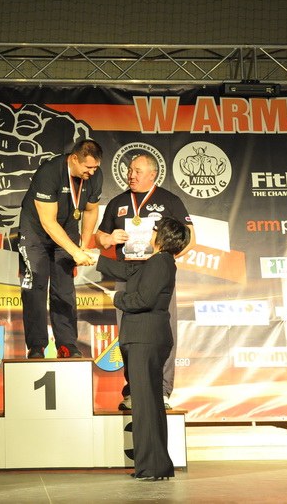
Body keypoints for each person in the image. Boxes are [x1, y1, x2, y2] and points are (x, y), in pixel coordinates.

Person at [93, 217, 191, 481]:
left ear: (163, 236)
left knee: (145, 406)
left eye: (155, 230)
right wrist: (96, 259)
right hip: (147, 338)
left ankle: (150, 467)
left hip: (145, 338)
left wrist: (117, 298)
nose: (151, 233)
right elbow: (130, 272)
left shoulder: (160, 262)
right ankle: (156, 465)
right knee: (150, 404)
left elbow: (143, 300)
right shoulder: (159, 262)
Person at [95, 153, 194, 410]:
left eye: (137, 171)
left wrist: (165, 260)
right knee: (128, 335)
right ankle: (134, 390)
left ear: (152, 174)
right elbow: (99, 238)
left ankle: (162, 390)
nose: (131, 175)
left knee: (163, 330)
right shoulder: (118, 202)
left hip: (156, 273)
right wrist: (109, 239)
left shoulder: (170, 200)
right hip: (126, 273)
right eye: (130, 170)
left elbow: (190, 238)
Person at [18, 139, 104, 358]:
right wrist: (74, 251)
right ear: (74, 158)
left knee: (64, 288)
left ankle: (67, 344)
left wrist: (83, 245)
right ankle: (36, 346)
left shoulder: (95, 176)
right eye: (88, 167)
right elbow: (48, 222)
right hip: (36, 232)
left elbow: (91, 210)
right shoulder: (49, 172)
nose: (92, 172)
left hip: (67, 229)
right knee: (35, 287)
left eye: (95, 167)